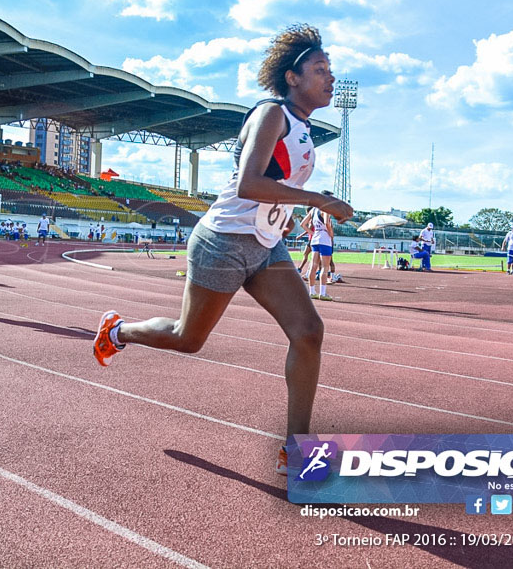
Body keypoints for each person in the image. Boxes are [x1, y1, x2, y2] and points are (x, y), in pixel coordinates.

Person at [90, 24, 353, 475]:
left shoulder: (304, 129)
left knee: (308, 330)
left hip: (266, 247)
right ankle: (118, 332)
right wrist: (315, 200)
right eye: (320, 69)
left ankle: (297, 446)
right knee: (186, 339)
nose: (330, 78)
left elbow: (276, 185)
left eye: (330, 70)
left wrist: (287, 211)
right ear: (293, 77)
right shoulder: (272, 114)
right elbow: (250, 183)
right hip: (224, 242)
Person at [300, 205, 335, 300]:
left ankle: (312, 292)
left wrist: (312, 233)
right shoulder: (326, 209)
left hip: (315, 240)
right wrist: (331, 233)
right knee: (325, 266)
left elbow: (302, 224)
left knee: (313, 265)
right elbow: (326, 222)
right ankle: (322, 293)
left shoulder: (313, 210)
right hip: (324, 239)